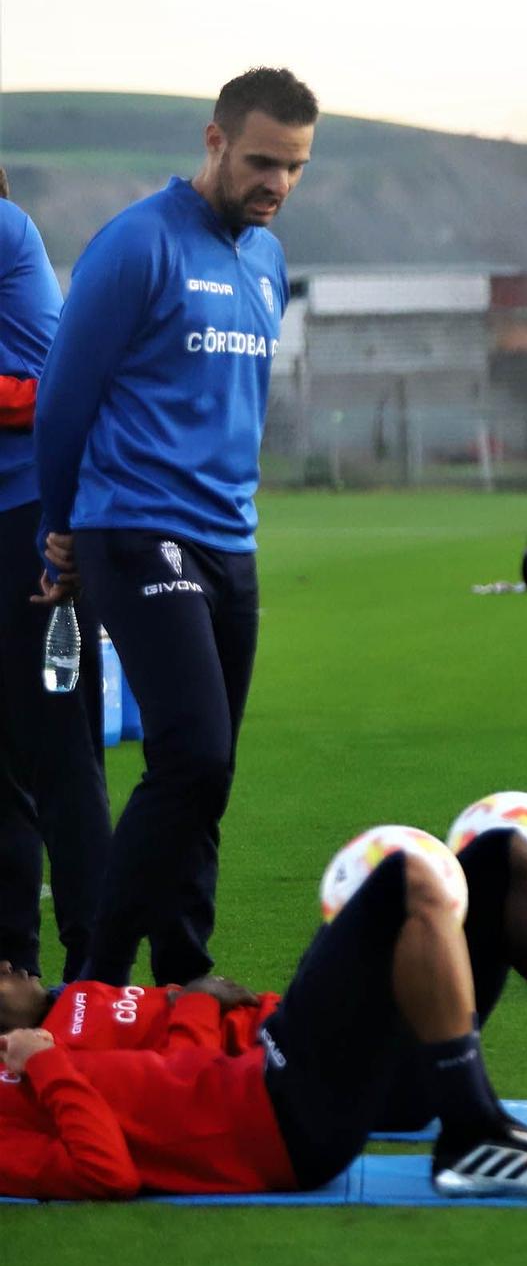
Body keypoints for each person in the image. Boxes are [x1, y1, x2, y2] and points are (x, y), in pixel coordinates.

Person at [0, 825, 527, 1202]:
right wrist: (47, 1066)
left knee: (506, 851)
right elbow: (102, 1174)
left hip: (280, 1069)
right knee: (405, 879)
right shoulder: (25, 1079)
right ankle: (472, 1133)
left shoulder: (62, 1017)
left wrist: (60, 1055)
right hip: (282, 1115)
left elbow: (169, 1062)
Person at [33, 68, 317, 986]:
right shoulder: (138, 244)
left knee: (208, 768)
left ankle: (183, 964)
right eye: (263, 161)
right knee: (190, 749)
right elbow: (62, 399)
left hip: (231, 539)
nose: (277, 183)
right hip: (132, 525)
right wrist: (59, 524)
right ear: (215, 141)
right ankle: (95, 980)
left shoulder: (268, 261)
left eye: (295, 167)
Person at [0, 168, 113, 984]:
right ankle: (13, 975)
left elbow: (48, 391)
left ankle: (91, 976)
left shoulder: (6, 229)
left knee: (59, 750)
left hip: (30, 521)